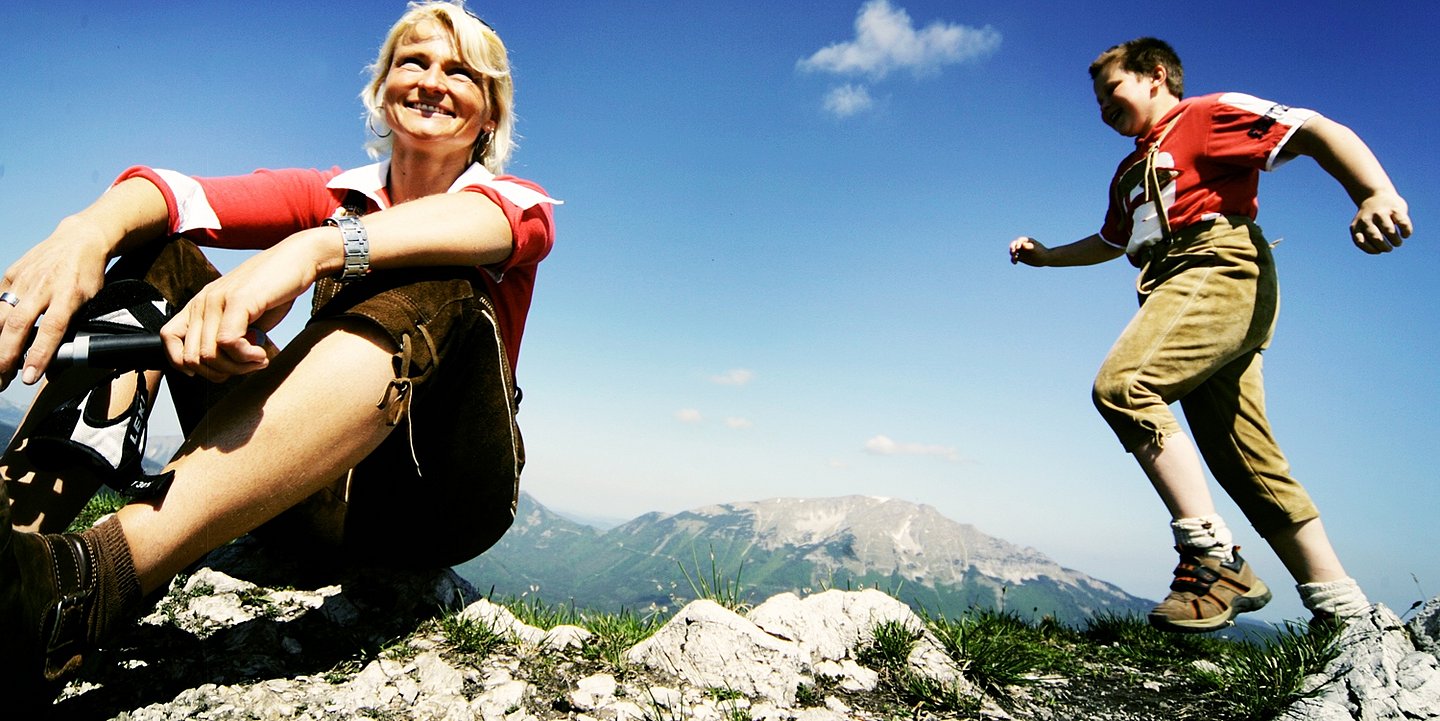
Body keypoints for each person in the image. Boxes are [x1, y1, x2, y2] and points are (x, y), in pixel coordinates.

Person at [0, 0, 558, 706]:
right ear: (383, 90)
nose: (432, 79)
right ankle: (15, 552)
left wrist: (314, 247)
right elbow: (178, 194)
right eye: (413, 61)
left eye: (460, 72)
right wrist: (85, 231)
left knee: (442, 280)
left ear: (488, 117)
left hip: (433, 501)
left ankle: (89, 582)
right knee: (156, 249)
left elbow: (495, 225)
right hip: (305, 486)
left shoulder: (512, 202)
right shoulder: (330, 194)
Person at [1008, 38, 1412, 633]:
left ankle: (1212, 557)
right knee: (1243, 458)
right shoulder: (1128, 172)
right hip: (1172, 282)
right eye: (1096, 101)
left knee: (1125, 386)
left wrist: (1373, 192)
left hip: (1216, 264)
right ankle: (1344, 611)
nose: (1102, 107)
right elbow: (1113, 242)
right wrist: (1046, 258)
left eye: (1112, 90)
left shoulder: (1205, 114)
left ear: (1155, 75)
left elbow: (1315, 129)